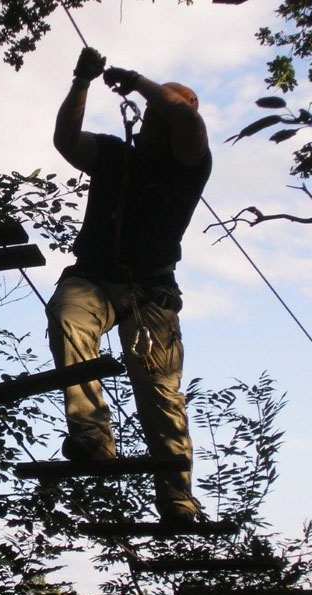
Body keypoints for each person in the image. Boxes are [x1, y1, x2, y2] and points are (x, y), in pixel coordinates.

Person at [48, 47, 212, 524]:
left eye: (162, 114)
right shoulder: (116, 156)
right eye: (152, 116)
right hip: (94, 279)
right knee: (68, 316)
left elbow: (185, 121)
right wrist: (82, 82)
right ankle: (93, 437)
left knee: (159, 392)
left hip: (150, 292)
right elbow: (66, 140)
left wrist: (138, 81)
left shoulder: (189, 164)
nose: (154, 122)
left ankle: (177, 498)